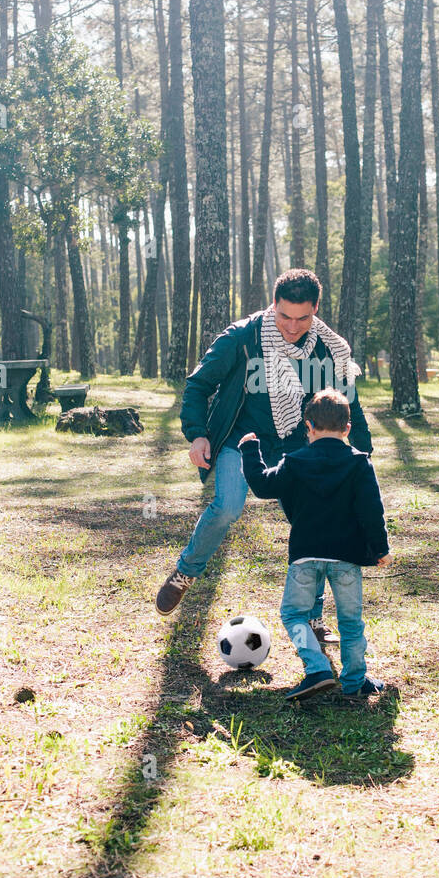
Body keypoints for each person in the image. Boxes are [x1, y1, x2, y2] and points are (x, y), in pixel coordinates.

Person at [155, 269, 373, 641]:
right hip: (241, 439)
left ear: (315, 309)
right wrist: (197, 436)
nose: (292, 326)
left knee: (315, 522)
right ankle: (186, 571)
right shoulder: (241, 338)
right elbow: (198, 385)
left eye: (302, 318)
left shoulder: (328, 348)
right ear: (274, 305)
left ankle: (314, 617)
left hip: (295, 443)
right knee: (227, 507)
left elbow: (345, 402)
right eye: (284, 316)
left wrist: (361, 452)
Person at [238, 388, 390, 701]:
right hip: (346, 556)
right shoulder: (360, 463)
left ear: (308, 426)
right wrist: (380, 549)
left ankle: (317, 667)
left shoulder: (294, 461)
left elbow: (264, 485)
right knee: (350, 622)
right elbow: (372, 510)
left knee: (294, 614)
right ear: (347, 429)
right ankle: (354, 681)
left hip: (306, 554)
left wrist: (250, 450)